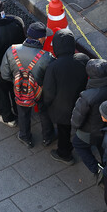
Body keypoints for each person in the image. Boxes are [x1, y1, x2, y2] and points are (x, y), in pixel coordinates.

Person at [70, 59, 107, 177]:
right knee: (103, 148)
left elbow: (77, 120)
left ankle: (96, 169)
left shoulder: (86, 96)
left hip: (90, 132)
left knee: (78, 144)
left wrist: (74, 130)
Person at [0, 22, 54, 148]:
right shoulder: (46, 57)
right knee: (44, 111)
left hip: (20, 89)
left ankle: (25, 136)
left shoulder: (11, 50)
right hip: (39, 91)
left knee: (23, 112)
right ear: (40, 39)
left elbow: (5, 74)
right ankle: (48, 137)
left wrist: (17, 82)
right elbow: (51, 79)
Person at [41, 29, 88, 164]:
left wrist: (47, 104)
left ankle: (64, 153)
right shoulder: (83, 59)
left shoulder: (53, 67)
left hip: (62, 109)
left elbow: (49, 92)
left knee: (64, 132)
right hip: (81, 103)